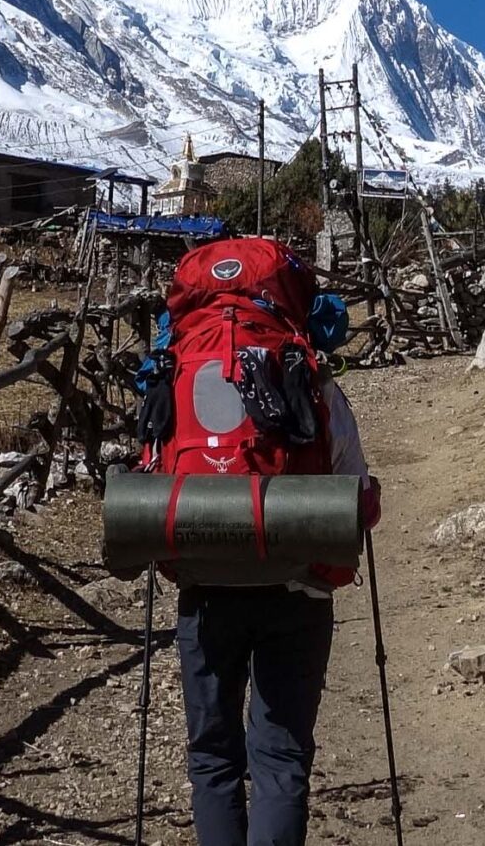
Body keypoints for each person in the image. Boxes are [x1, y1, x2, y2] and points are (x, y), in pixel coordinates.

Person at [144, 249, 380, 846]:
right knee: (281, 758)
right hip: (295, 587)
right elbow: (356, 496)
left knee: (213, 760)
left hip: (204, 584)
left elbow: (150, 473)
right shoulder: (308, 371)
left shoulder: (177, 367)